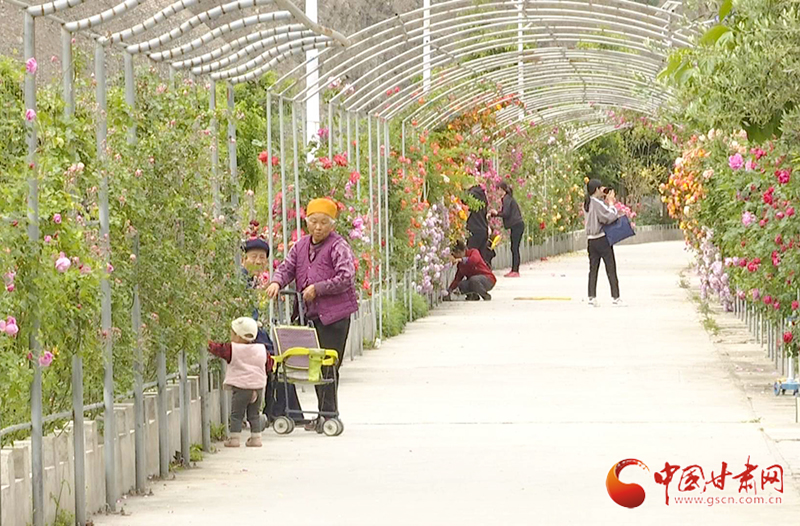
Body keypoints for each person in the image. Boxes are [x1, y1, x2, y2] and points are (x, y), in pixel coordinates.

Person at [265, 197, 358, 432]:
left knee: (328, 365)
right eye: (314, 221)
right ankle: (322, 415)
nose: (318, 227)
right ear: (307, 222)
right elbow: (286, 267)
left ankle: (328, 414)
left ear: (332, 225)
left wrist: (318, 288)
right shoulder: (301, 246)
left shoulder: (339, 246)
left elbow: (346, 276)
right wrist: (276, 282)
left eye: (324, 222)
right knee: (313, 366)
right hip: (310, 315)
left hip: (334, 317)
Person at [240, 234, 304, 425]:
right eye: (254, 257)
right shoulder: (240, 281)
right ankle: (282, 412)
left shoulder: (250, 280)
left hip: (254, 335)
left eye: (262, 257)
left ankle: (280, 411)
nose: (258, 261)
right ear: (244, 259)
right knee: (279, 361)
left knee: (281, 359)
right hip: (248, 337)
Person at [208, 317, 272, 448]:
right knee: (254, 414)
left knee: (236, 415)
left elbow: (219, 349)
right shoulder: (261, 349)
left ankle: (234, 439)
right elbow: (269, 364)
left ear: (238, 336)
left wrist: (208, 343)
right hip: (258, 388)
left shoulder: (233, 349)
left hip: (242, 388)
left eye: (232, 333)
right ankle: (256, 438)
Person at [584, 179, 623, 307]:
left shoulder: (587, 203)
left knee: (593, 269)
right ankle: (616, 297)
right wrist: (611, 204)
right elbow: (608, 217)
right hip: (601, 239)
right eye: (601, 188)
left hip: (591, 240)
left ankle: (591, 296)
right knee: (610, 268)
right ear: (596, 190)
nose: (602, 191)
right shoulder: (596, 203)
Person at [490, 181, 525, 278]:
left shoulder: (506, 199)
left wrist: (496, 213)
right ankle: (514, 269)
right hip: (517, 225)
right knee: (514, 247)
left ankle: (515, 270)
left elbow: (506, 213)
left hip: (517, 225)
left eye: (498, 190)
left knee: (514, 248)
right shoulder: (507, 199)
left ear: (502, 190)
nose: (497, 192)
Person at [465, 185, 495, 267]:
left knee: (472, 258)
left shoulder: (470, 195)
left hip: (473, 229)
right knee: (482, 259)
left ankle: (474, 277)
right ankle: (483, 276)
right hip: (483, 228)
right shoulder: (483, 195)